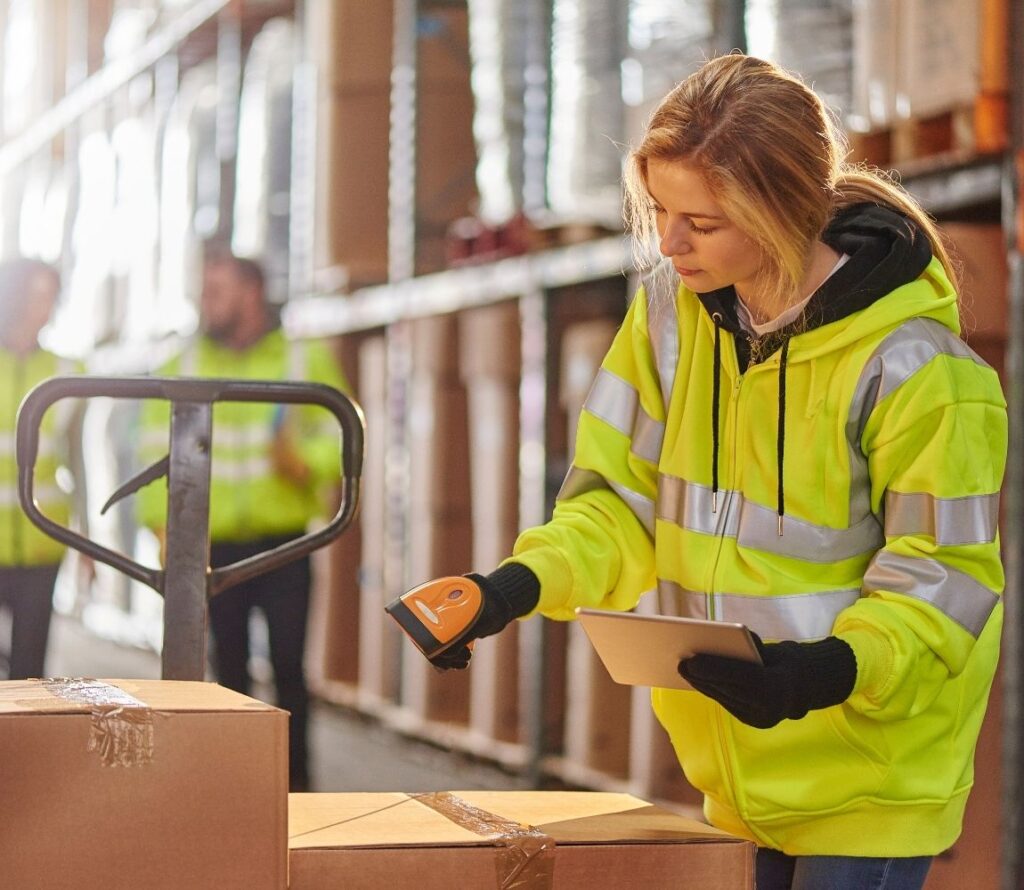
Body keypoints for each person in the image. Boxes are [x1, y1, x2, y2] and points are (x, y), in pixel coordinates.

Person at [397, 54, 1007, 890]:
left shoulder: (920, 371)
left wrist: (827, 670)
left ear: (787, 210)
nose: (670, 244)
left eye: (705, 221)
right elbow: (617, 505)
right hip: (734, 774)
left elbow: (944, 580)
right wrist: (508, 588)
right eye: (659, 211)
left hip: (873, 772)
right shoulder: (668, 326)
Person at [138, 248, 350, 791]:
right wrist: (160, 529)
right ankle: (233, 790)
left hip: (283, 546)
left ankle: (297, 791)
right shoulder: (180, 362)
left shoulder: (303, 359)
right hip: (210, 547)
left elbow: (343, 438)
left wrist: (305, 465)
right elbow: (147, 450)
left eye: (217, 291)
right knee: (226, 673)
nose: (205, 303)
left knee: (289, 670)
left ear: (252, 293)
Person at [0, 258, 86, 680]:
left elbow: (77, 462)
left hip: (42, 542)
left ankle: (18, 748)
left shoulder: (67, 374)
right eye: (36, 296)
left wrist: (85, 538)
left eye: (51, 297)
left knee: (30, 671)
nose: (45, 308)